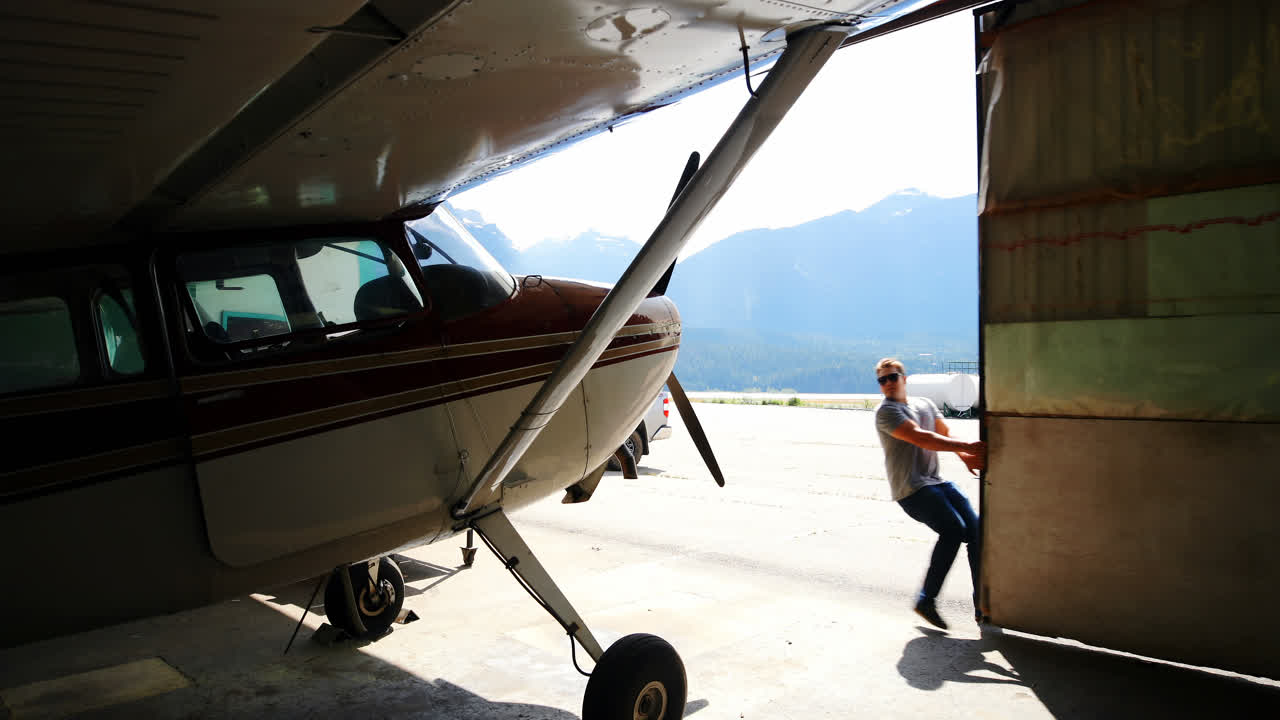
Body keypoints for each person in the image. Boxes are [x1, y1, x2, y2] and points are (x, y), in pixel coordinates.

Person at [873, 357, 986, 630]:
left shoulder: (924, 403)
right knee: (953, 530)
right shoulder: (886, 412)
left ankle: (982, 602)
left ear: (904, 379)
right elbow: (921, 438)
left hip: (936, 481)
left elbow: (944, 432)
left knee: (976, 532)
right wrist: (967, 447)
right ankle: (926, 600)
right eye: (882, 380)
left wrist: (965, 456)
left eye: (893, 377)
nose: (888, 383)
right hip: (911, 489)